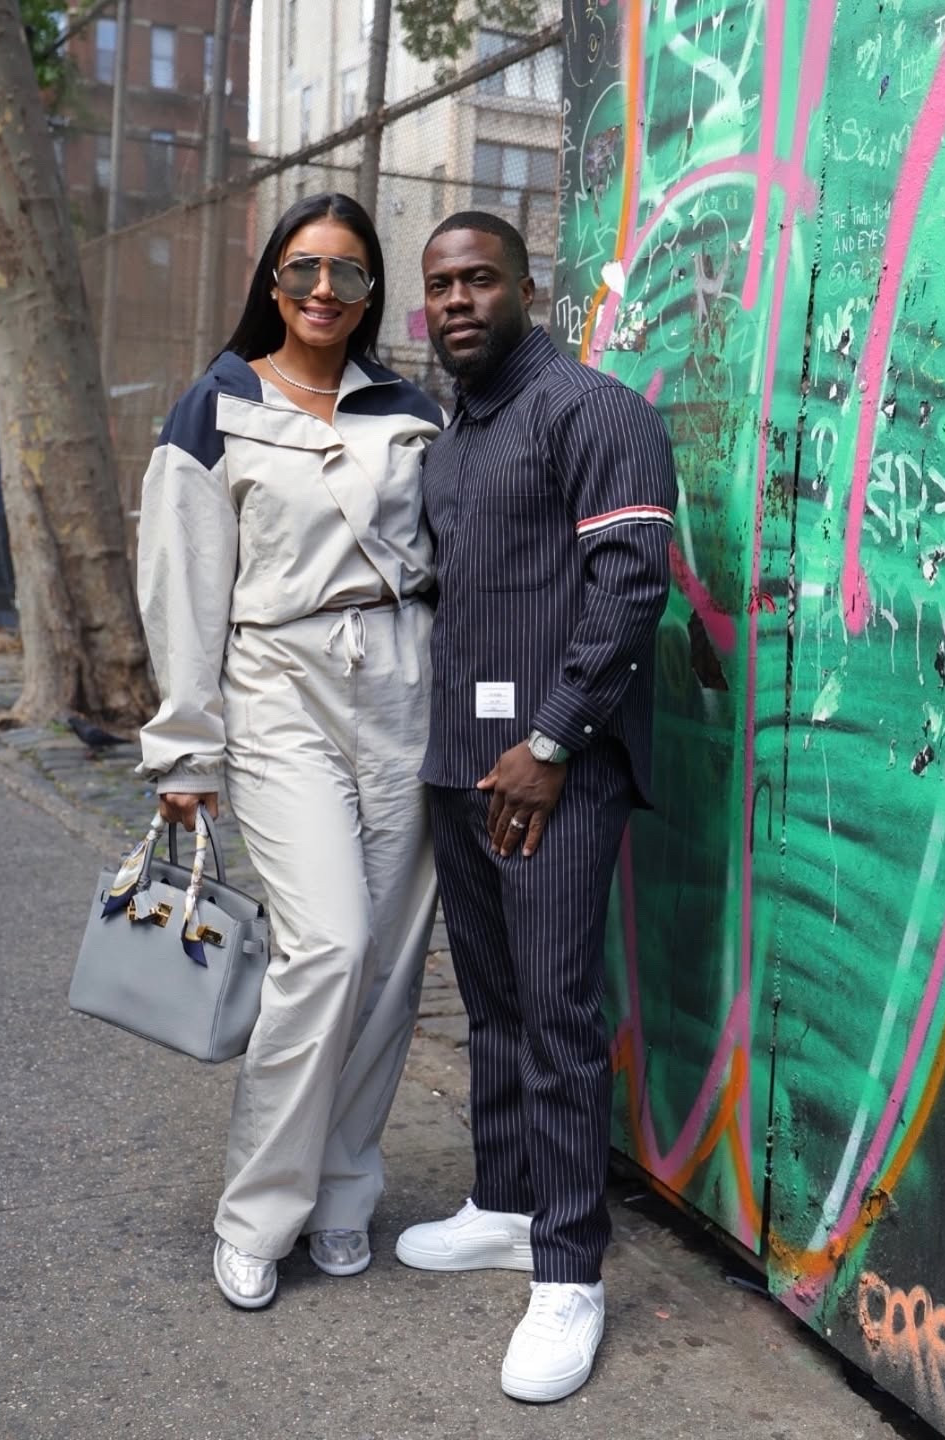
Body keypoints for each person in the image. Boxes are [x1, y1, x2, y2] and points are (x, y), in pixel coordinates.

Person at [136, 192, 443, 1310]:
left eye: (351, 275)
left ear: (371, 294)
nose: (326, 291)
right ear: (274, 279)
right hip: (278, 687)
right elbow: (181, 585)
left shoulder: (408, 411)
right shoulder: (213, 409)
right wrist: (185, 753)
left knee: (392, 964)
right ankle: (259, 1209)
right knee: (329, 947)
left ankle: (346, 1194)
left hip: (406, 684)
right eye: (307, 270)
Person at [395, 213, 677, 1403]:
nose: (458, 300)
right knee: (497, 1007)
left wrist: (553, 742)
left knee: (558, 1017)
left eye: (480, 280)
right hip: (461, 770)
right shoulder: (454, 436)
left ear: (528, 287)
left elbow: (631, 592)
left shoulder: (595, 411)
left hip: (551, 772)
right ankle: (507, 1203)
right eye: (440, 285)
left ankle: (569, 1272)